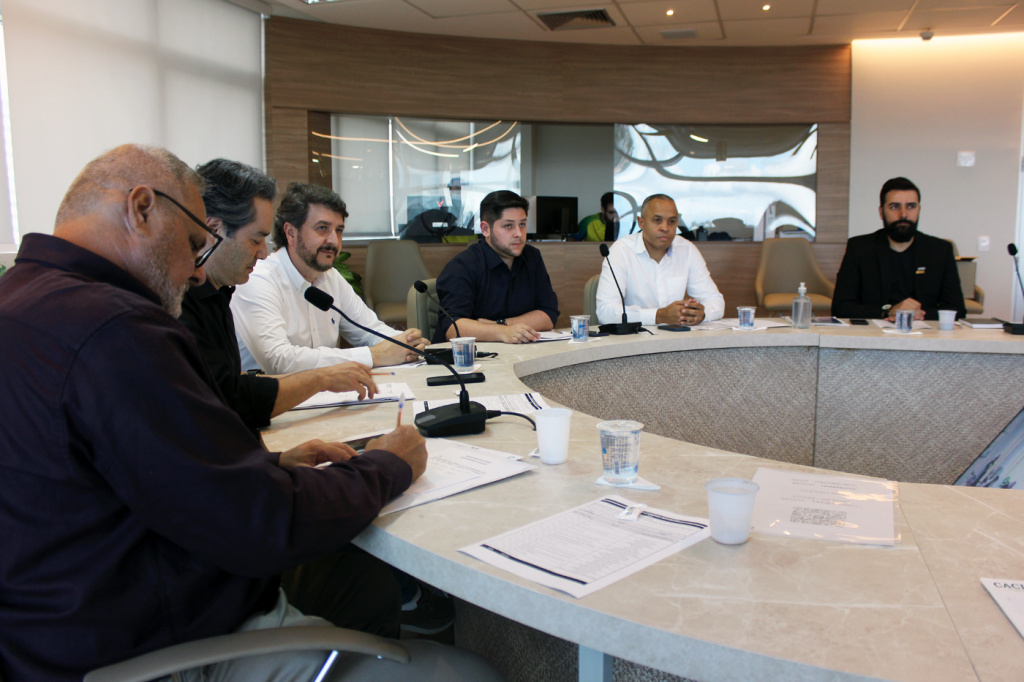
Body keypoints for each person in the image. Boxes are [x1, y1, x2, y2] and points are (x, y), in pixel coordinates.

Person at [0, 144, 463, 682]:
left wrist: (271, 463)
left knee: (356, 580)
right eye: (194, 245)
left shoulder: (21, 300)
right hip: (156, 645)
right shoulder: (117, 331)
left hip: (57, 629)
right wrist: (389, 464)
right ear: (142, 209)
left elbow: (140, 472)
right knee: (461, 672)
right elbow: (261, 524)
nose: (196, 273)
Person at [179, 159, 378, 433]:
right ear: (213, 230)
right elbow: (233, 396)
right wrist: (324, 377)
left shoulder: (219, 291)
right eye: (255, 240)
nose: (263, 253)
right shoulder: (183, 299)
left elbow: (227, 392)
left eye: (339, 230)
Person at [231, 182, 429, 374]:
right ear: (291, 233)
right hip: (265, 394)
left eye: (339, 230)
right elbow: (279, 361)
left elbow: (370, 331)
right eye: (322, 228)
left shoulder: (330, 277)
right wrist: (374, 355)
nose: (334, 241)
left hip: (323, 391)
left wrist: (406, 342)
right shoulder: (258, 279)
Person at [432, 190, 560, 344]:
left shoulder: (532, 257)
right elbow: (452, 328)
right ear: (485, 229)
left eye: (522, 224)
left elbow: (548, 315)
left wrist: (501, 325)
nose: (519, 233)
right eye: (508, 226)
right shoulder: (462, 266)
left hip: (517, 352)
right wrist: (502, 332)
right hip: (469, 356)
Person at [831, 177, 966, 321]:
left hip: (926, 331)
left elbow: (957, 310)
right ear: (881, 212)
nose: (903, 214)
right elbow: (840, 308)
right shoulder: (859, 248)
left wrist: (914, 314)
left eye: (911, 206)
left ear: (919, 210)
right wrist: (888, 312)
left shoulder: (940, 250)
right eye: (894, 207)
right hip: (875, 331)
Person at [596, 193, 724, 326]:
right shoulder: (621, 251)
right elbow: (605, 312)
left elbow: (715, 300)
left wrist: (700, 313)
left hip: (677, 335)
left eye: (672, 221)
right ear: (641, 222)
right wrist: (659, 315)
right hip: (635, 336)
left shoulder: (687, 249)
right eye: (657, 220)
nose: (665, 228)